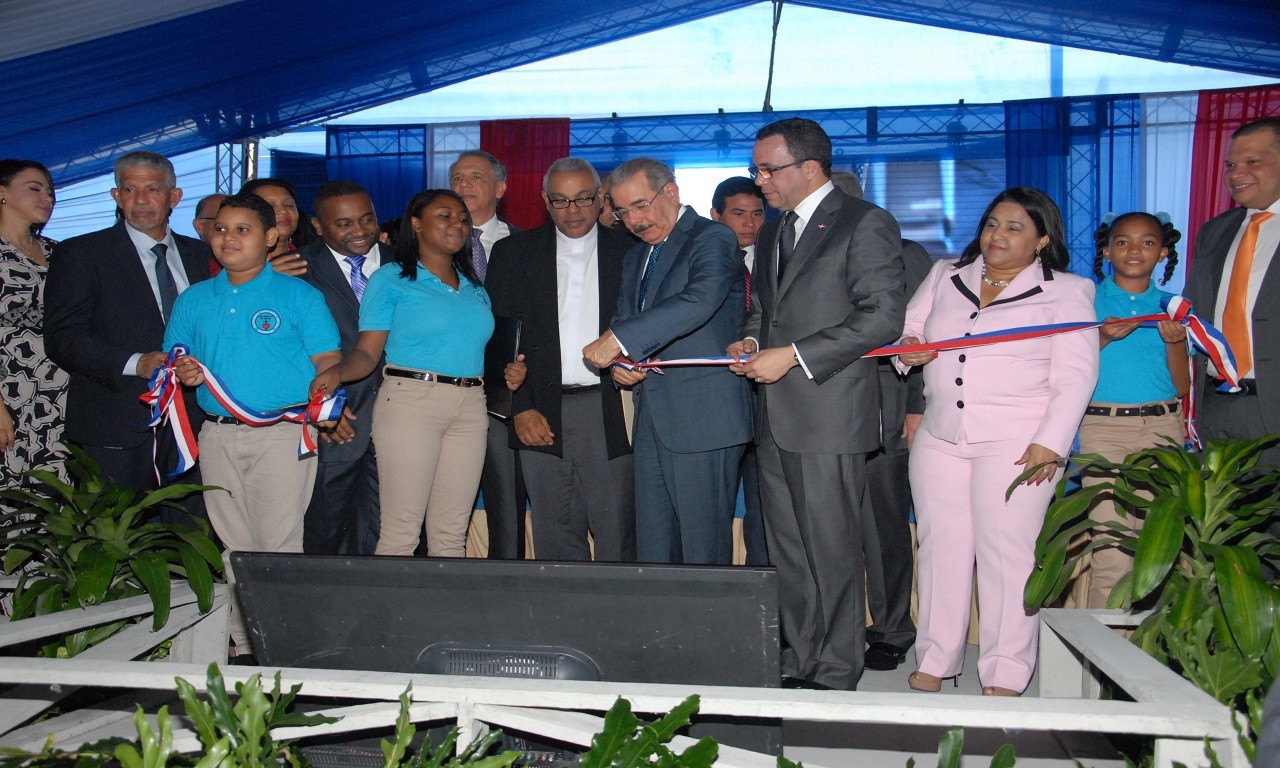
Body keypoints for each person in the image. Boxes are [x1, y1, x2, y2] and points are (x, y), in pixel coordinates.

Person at [896, 186, 1097, 696]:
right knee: (942, 547)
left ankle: (1006, 667)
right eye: (991, 224)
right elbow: (909, 331)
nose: (997, 236)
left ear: (1042, 239)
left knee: (1007, 554)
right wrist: (910, 351)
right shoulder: (945, 275)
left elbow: (1075, 377)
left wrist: (1052, 442)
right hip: (941, 436)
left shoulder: (1069, 291)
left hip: (1018, 443)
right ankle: (936, 658)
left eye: (1014, 227)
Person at [728, 117, 906, 691]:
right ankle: (799, 654)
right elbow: (769, 311)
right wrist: (754, 340)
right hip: (775, 414)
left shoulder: (866, 223)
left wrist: (796, 355)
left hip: (829, 412)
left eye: (768, 169)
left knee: (831, 549)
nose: (759, 182)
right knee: (789, 551)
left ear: (809, 168)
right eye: (757, 169)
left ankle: (836, 665)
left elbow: (883, 316)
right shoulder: (779, 231)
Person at [165, 192, 340, 662]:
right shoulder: (195, 298)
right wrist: (181, 371)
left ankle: (287, 646)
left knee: (278, 542)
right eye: (220, 229)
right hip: (217, 434)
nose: (229, 239)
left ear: (271, 237)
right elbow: (175, 356)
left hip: (282, 433)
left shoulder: (299, 295)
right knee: (233, 544)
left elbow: (327, 354)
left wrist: (328, 378)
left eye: (243, 230)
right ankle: (245, 647)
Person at [583, 158, 752, 565]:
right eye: (622, 212)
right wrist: (623, 362)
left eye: (640, 205)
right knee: (654, 545)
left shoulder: (712, 238)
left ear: (672, 193)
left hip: (703, 418)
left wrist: (620, 340)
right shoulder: (636, 256)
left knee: (702, 548)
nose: (633, 220)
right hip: (652, 418)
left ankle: (710, 630)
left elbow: (699, 301)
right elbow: (626, 317)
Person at [311, 189, 496, 558]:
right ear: (416, 224)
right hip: (412, 404)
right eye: (444, 216)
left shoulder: (474, 284)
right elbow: (366, 352)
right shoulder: (391, 277)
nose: (457, 223)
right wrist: (337, 373)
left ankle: (441, 616)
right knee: (401, 532)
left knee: (451, 535)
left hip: (472, 407)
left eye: (462, 217)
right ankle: (389, 617)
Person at [486, 158, 636, 561]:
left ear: (602, 197)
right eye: (561, 201)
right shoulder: (513, 253)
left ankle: (618, 621)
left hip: (609, 407)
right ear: (544, 201)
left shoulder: (632, 252)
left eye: (585, 199)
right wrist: (519, 408)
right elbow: (498, 342)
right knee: (554, 532)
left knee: (617, 529)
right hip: (538, 408)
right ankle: (562, 620)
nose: (574, 210)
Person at [45, 151, 212, 503]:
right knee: (115, 543)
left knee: (196, 538)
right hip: (115, 425)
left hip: (198, 423)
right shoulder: (80, 254)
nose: (140, 200)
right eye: (129, 190)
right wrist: (138, 363)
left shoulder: (206, 256)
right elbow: (63, 338)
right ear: (116, 197)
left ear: (173, 197)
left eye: (152, 189)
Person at [1080, 212, 1188, 609]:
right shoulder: (1085, 300)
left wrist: (1175, 341)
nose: (1134, 250)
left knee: (1157, 546)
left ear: (1162, 252)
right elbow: (1068, 370)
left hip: (1163, 426)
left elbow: (1182, 386)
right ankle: (1104, 663)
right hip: (1102, 427)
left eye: (1147, 242)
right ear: (1107, 250)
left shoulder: (1172, 307)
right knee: (1111, 546)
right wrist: (1102, 337)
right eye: (1123, 242)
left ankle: (1149, 652)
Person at [297, 180, 391, 555]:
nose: (359, 231)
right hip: (336, 420)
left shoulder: (409, 262)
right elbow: (289, 348)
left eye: (367, 219)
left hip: (402, 417)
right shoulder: (295, 269)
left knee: (395, 532)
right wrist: (324, 408)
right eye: (344, 224)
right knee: (326, 529)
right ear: (318, 226)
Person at [1184, 117, 1280, 467]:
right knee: (1220, 522)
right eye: (1230, 164)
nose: (1236, 173)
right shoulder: (1214, 232)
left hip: (1271, 404)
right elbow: (1194, 316)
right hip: (1217, 408)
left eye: (1253, 162)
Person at [450, 149, 526, 559]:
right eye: (457, 177)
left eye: (475, 177)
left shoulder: (528, 244)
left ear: (500, 188)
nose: (464, 185)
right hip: (443, 386)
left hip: (504, 391)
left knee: (506, 496)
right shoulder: (429, 249)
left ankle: (509, 577)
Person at [0, 159, 69, 491]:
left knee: (55, 496)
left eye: (51, 192)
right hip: (8, 393)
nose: (47, 198)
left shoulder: (60, 253)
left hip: (59, 397)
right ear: (2, 193)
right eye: (35, 188)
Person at [710, 175, 768, 565]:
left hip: (767, 398)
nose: (750, 223)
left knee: (766, 511)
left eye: (758, 214)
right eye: (739, 213)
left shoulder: (781, 260)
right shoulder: (701, 263)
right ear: (716, 216)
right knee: (713, 506)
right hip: (716, 399)